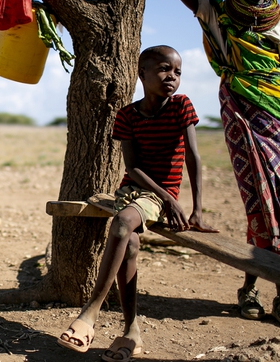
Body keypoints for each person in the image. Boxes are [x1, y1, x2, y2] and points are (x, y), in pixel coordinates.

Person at [156, 0, 280, 328]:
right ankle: (275, 293)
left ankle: (267, 292)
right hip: (241, 113)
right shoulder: (218, 12)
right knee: (259, 200)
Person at [57, 45, 218, 360]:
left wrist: (196, 209)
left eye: (177, 72)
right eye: (163, 69)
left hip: (157, 197)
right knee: (128, 244)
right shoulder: (127, 115)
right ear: (141, 74)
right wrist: (167, 197)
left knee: (122, 223)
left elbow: (193, 158)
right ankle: (131, 330)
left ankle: (90, 313)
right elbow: (131, 169)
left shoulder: (181, 106)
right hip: (136, 191)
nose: (171, 77)